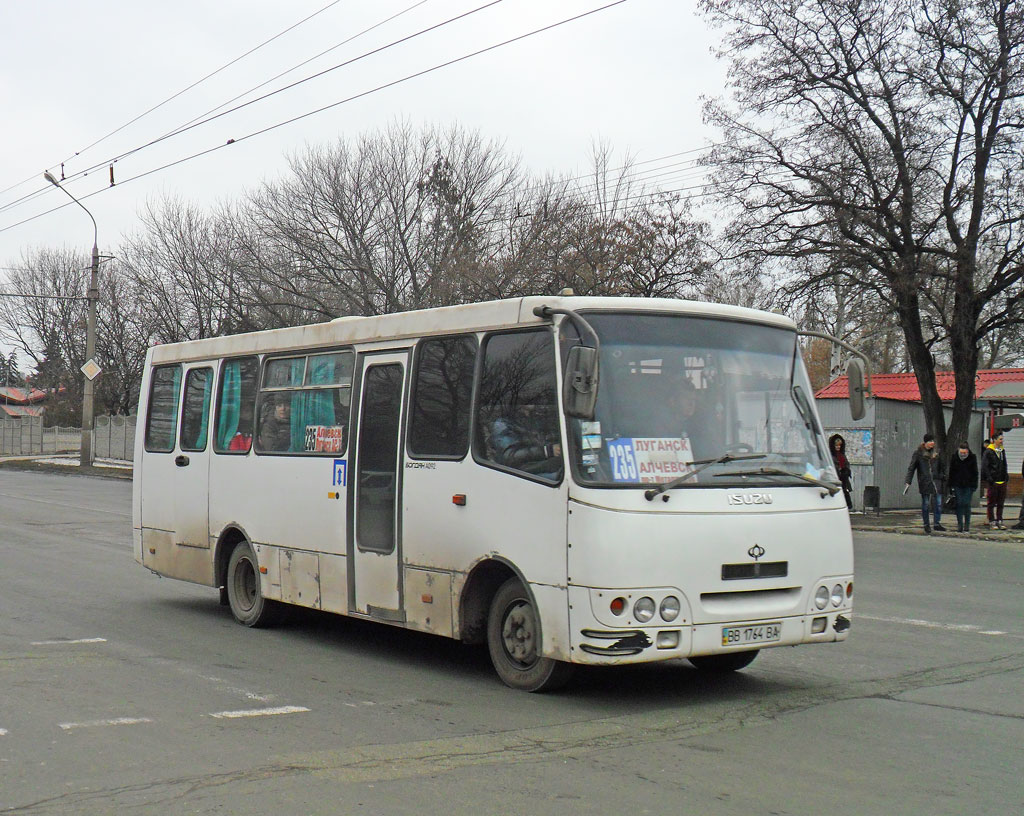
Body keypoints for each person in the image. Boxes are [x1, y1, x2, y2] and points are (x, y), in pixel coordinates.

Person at [490, 406, 562, 479]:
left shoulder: (537, 419)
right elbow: (509, 456)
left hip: (545, 466)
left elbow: (550, 437)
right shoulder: (503, 424)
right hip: (522, 475)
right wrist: (547, 450)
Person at [905, 433, 946, 534]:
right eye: (930, 441)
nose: (932, 443)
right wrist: (908, 481)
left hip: (936, 480)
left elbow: (942, 466)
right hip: (925, 481)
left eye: (933, 441)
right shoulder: (918, 453)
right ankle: (926, 524)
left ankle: (936, 523)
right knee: (926, 504)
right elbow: (912, 468)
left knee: (938, 503)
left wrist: (942, 476)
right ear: (925, 442)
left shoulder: (936, 453)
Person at [947, 440, 978, 533]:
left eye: (965, 453)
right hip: (957, 485)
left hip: (968, 485)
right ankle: (960, 525)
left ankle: (967, 525)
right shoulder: (954, 457)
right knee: (959, 504)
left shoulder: (972, 458)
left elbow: (975, 472)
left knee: (967, 504)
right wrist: (951, 486)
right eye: (961, 452)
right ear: (958, 451)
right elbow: (951, 472)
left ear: (968, 451)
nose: (963, 454)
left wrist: (974, 486)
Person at [980, 431, 1009, 529]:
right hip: (993, 480)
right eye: (1000, 439)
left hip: (1002, 480)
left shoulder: (1002, 450)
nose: (1002, 441)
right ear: (995, 440)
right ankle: (992, 520)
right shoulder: (989, 451)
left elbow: (1004, 463)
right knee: (991, 502)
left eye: (1002, 439)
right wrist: (989, 478)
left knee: (1001, 502)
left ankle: (1000, 519)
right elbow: (985, 466)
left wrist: (1006, 475)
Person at [829, 433, 853, 510]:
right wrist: (839, 471)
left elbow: (846, 463)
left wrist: (847, 470)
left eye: (839, 445)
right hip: (836, 479)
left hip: (844, 478)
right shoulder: (830, 456)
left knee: (845, 493)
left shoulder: (842, 454)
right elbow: (831, 466)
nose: (838, 447)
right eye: (836, 445)